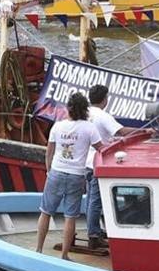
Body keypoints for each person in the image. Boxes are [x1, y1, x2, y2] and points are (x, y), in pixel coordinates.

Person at [35, 93, 103, 260]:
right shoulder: (89, 128)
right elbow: (103, 148)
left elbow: (49, 151)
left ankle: (38, 250)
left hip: (56, 172)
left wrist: (48, 170)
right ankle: (65, 255)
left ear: (69, 108)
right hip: (76, 176)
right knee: (70, 217)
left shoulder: (58, 126)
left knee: (45, 212)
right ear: (85, 110)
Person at [84, 84, 139, 249]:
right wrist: (145, 130)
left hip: (86, 161)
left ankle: (93, 229)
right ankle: (93, 234)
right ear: (105, 99)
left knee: (90, 200)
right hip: (98, 162)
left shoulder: (85, 113)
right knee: (96, 200)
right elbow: (121, 131)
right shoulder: (102, 115)